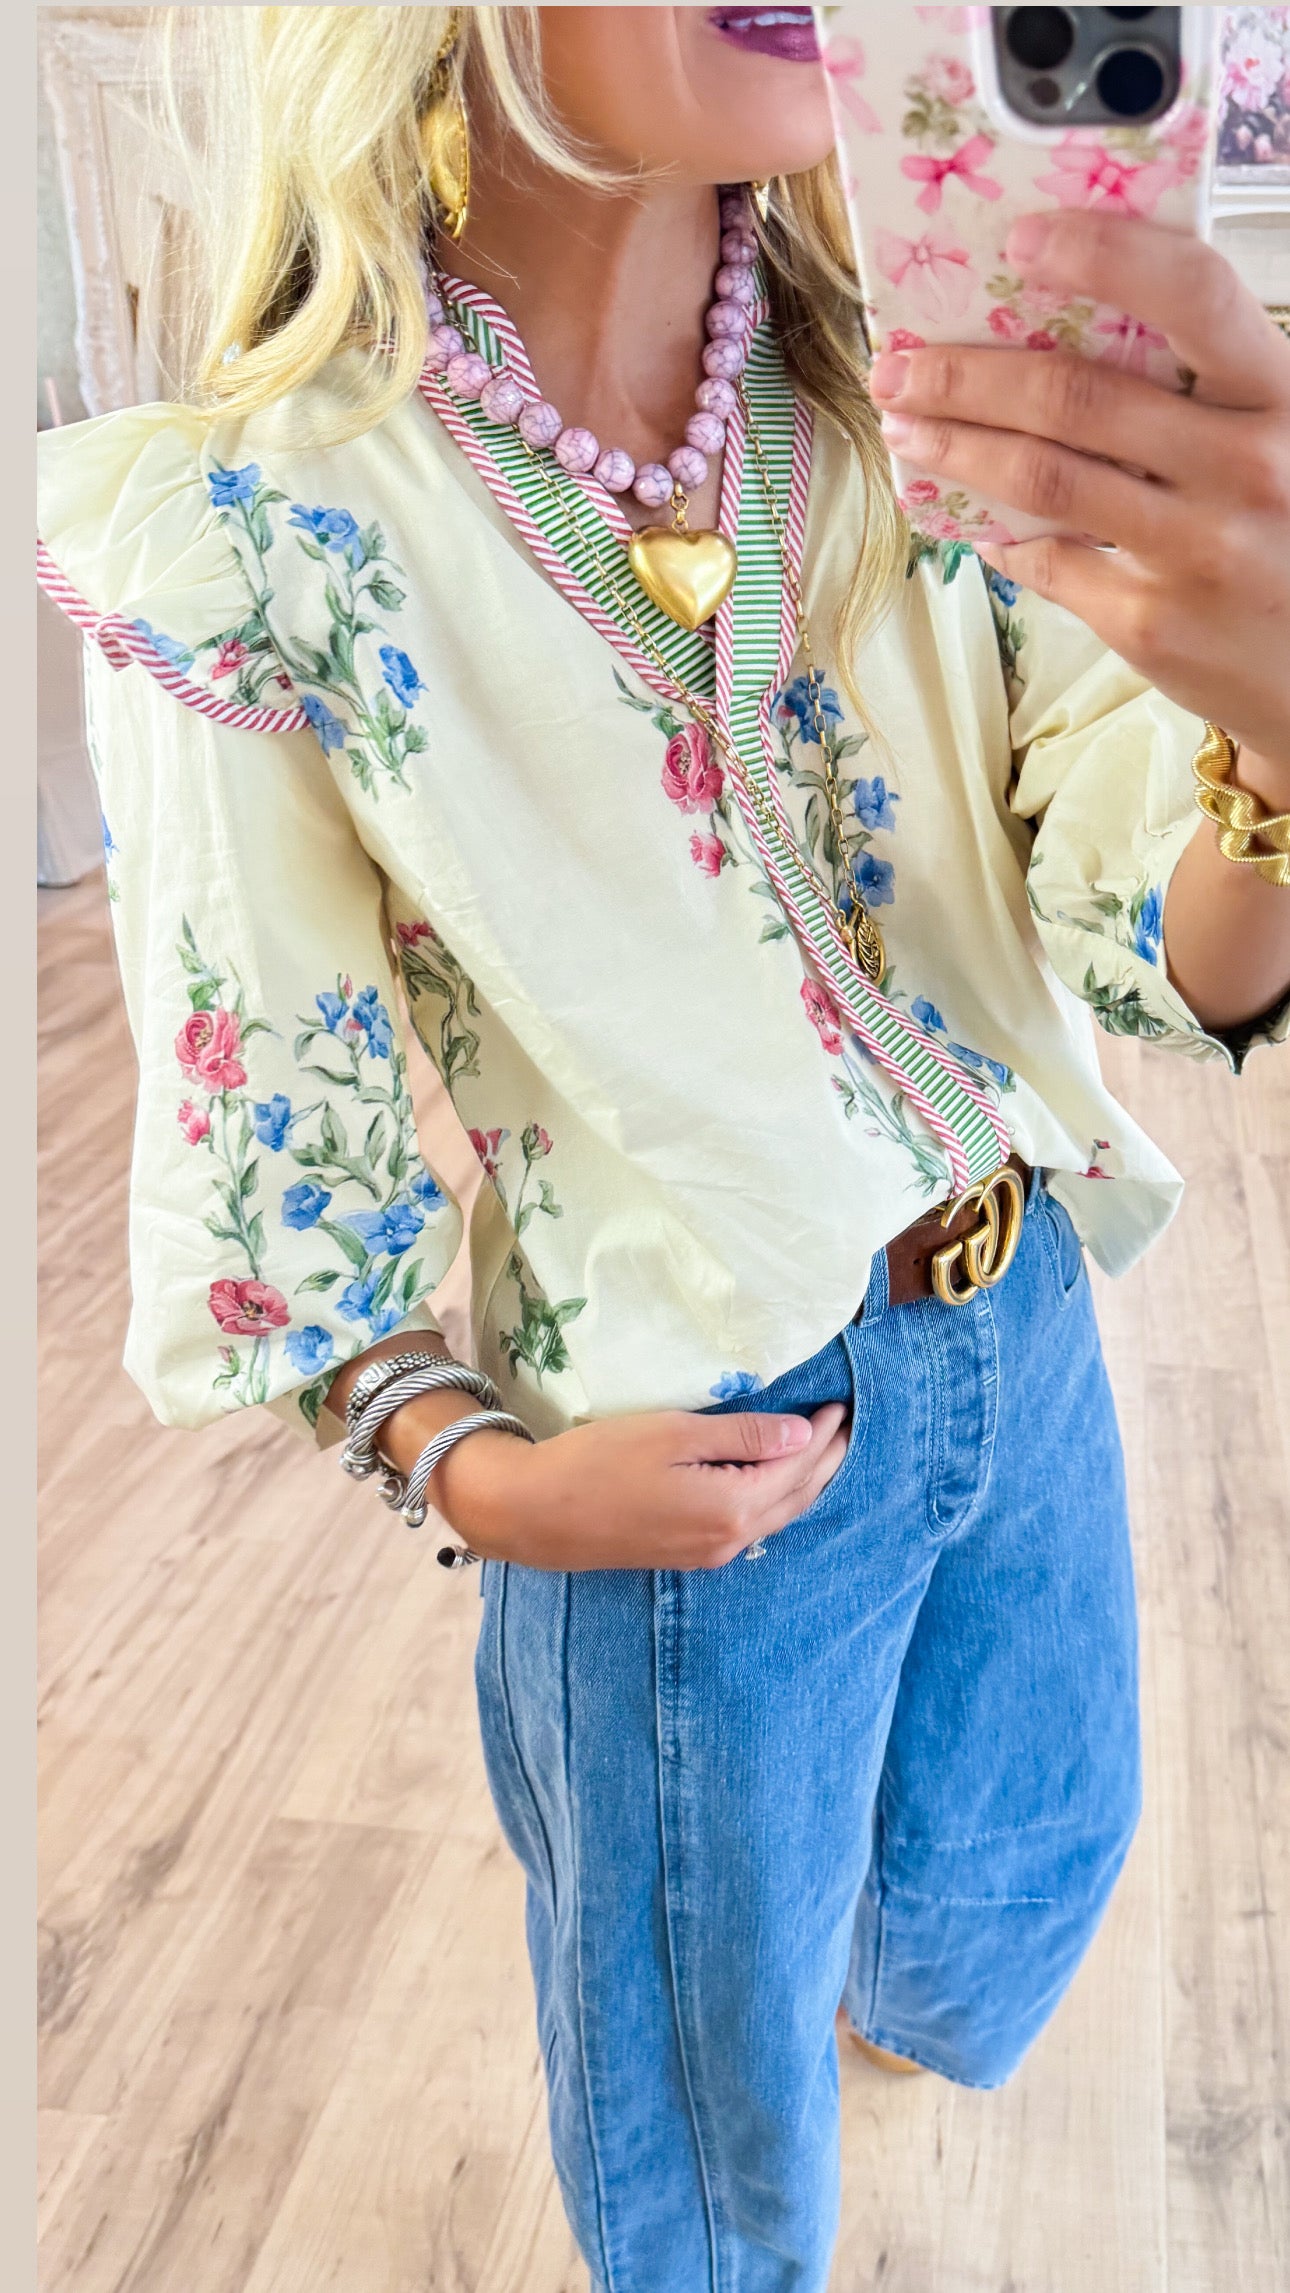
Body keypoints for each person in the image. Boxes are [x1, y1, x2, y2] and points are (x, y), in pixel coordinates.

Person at [36, 8, 1290, 2286]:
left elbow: (1158, 940)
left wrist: (1279, 742)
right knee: (700, 2108)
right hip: (693, 1461)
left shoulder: (935, 407)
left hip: (1026, 1323)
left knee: (1026, 1863)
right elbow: (270, 1174)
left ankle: (888, 2018)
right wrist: (482, 1478)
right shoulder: (261, 528)